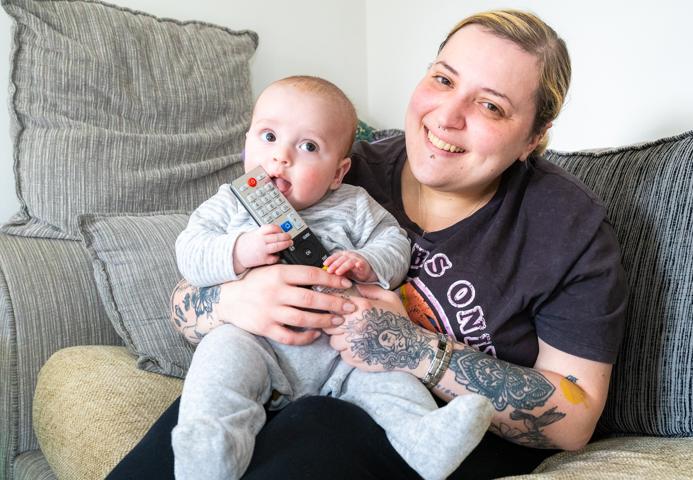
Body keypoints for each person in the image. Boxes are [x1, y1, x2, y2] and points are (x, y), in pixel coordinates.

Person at [109, 9, 627, 480]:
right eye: (443, 79)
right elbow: (185, 301)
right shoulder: (341, 167)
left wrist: (414, 350)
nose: (447, 116)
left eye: (490, 106)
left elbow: (575, 418)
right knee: (187, 437)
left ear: (533, 138)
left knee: (316, 428)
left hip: (414, 422)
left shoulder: (567, 227)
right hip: (279, 375)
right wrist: (238, 299)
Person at [170, 75, 494, 480]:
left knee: (391, 376)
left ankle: (425, 438)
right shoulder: (228, 204)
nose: (282, 157)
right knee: (218, 363)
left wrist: (366, 262)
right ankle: (211, 451)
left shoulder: (355, 204)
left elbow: (395, 243)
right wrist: (238, 251)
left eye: (308, 147)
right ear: (246, 144)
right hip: (255, 344)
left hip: (344, 353)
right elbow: (190, 251)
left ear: (339, 172)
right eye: (268, 136)